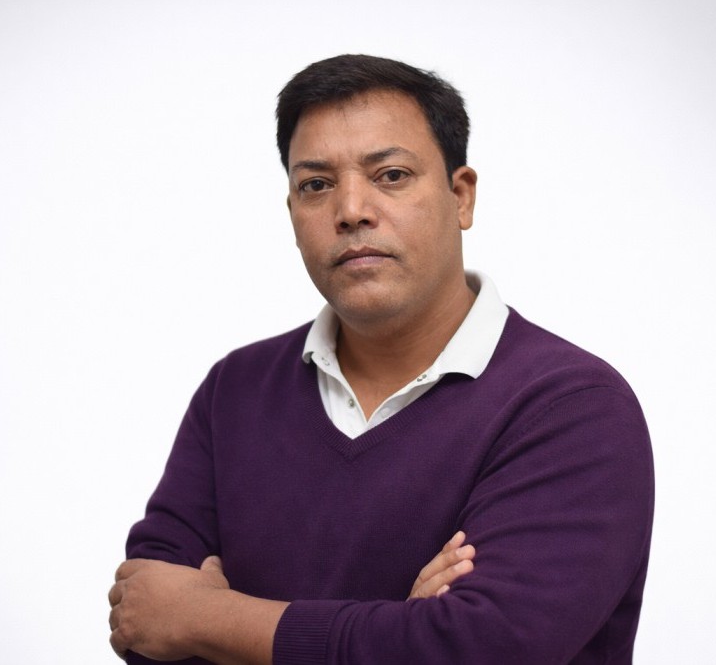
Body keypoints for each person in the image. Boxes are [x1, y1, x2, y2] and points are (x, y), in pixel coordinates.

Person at [108, 54, 654, 664]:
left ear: (461, 196)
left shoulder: (571, 407)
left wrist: (210, 617)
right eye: (316, 185)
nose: (351, 210)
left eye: (390, 175)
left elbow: (482, 651)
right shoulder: (235, 390)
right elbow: (146, 622)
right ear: (292, 213)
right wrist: (402, 630)